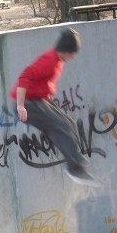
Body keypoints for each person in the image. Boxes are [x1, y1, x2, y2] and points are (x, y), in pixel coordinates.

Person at [9, 28, 100, 186]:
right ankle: (74, 168)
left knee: (69, 123)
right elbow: (25, 75)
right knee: (60, 126)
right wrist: (20, 106)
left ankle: (76, 164)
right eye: (71, 53)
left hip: (38, 100)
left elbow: (41, 83)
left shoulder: (58, 59)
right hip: (28, 104)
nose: (72, 57)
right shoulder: (49, 60)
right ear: (65, 49)